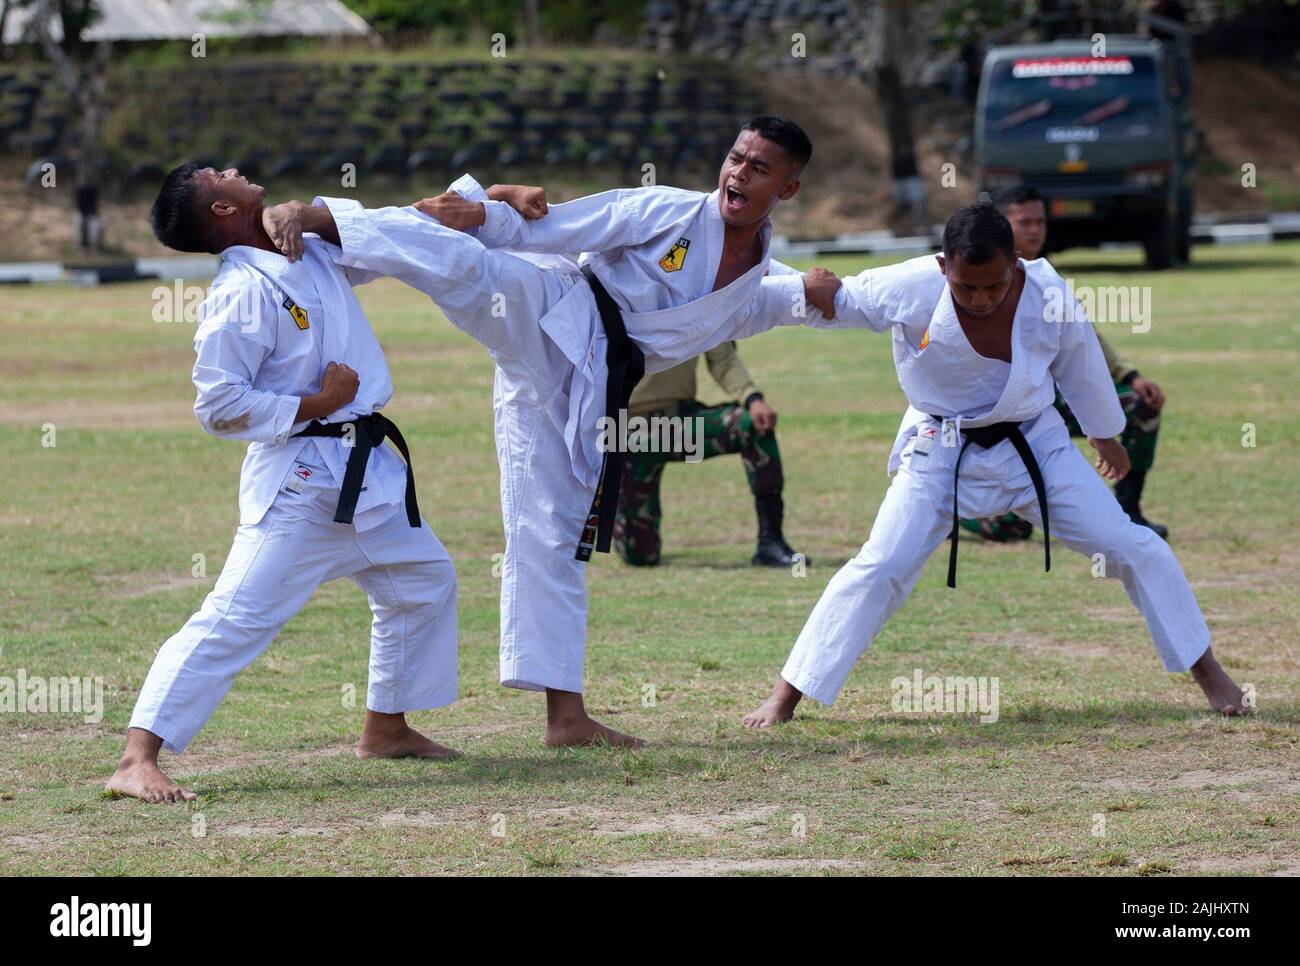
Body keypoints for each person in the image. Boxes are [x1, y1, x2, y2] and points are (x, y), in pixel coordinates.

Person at [264, 116, 817, 747]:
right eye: (735, 158)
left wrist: (821, 294)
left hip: (582, 388)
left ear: (787, 190)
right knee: (467, 267)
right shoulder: (669, 212)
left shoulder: (754, 278)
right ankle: (319, 219)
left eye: (759, 168)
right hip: (558, 307)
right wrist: (491, 215)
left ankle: (566, 717)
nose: (738, 173)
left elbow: (788, 299)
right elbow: (570, 224)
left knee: (550, 533)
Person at [740, 203, 1246, 729]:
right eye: (965, 288)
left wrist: (1104, 433)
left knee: (1129, 544)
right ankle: (786, 695)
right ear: (943, 268)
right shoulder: (911, 284)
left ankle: (1207, 669)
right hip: (939, 450)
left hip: (1036, 446)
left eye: (993, 286)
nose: (980, 300)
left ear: (1016, 264)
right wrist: (806, 288)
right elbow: (834, 300)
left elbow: (1081, 363)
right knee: (881, 565)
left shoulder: (1048, 292)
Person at [107, 164, 462, 804]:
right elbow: (217, 404)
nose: (237, 169)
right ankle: (137, 758)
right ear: (220, 210)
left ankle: (386, 727)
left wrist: (473, 199)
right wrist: (318, 402)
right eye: (221, 175)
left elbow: (395, 231)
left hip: (366, 474)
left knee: (422, 582)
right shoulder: (241, 291)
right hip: (301, 478)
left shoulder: (310, 246)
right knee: (237, 615)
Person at [962, 185, 1168, 542]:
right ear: (998, 225)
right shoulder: (976, 277)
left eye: (1039, 221)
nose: (1034, 229)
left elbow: (1082, 337)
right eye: (1023, 221)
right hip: (1003, 412)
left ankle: (1128, 512)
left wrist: (1129, 375)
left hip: (1054, 401)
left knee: (1140, 405)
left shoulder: (1044, 276)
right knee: (1013, 528)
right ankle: (954, 511)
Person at [614, 341, 805, 567]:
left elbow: (723, 358)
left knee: (752, 426)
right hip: (626, 434)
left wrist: (752, 399)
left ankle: (770, 542)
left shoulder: (697, 305)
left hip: (678, 425)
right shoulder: (607, 306)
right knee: (639, 557)